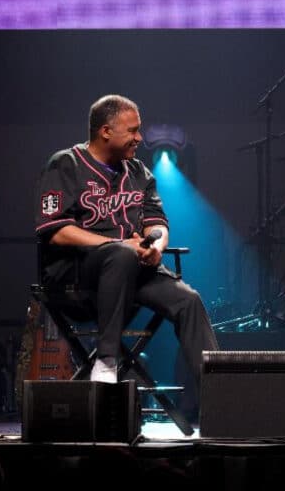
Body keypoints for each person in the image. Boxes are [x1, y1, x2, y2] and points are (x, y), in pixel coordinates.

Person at [33, 94, 218, 387]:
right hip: (76, 277)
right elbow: (55, 231)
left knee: (189, 301)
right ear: (105, 131)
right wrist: (116, 247)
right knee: (120, 254)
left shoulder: (139, 173)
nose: (140, 138)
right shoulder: (65, 164)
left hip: (131, 274)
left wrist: (155, 247)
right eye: (132, 130)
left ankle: (219, 395)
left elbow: (156, 222)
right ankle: (106, 362)